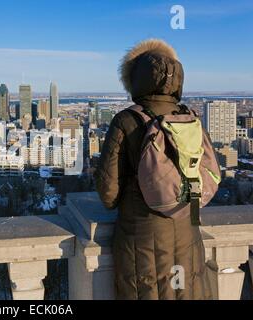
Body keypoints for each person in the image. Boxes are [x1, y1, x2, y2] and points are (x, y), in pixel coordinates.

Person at [94, 39, 212, 300]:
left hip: (142, 240)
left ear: (135, 79)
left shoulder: (127, 120)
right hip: (188, 231)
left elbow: (108, 194)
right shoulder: (189, 117)